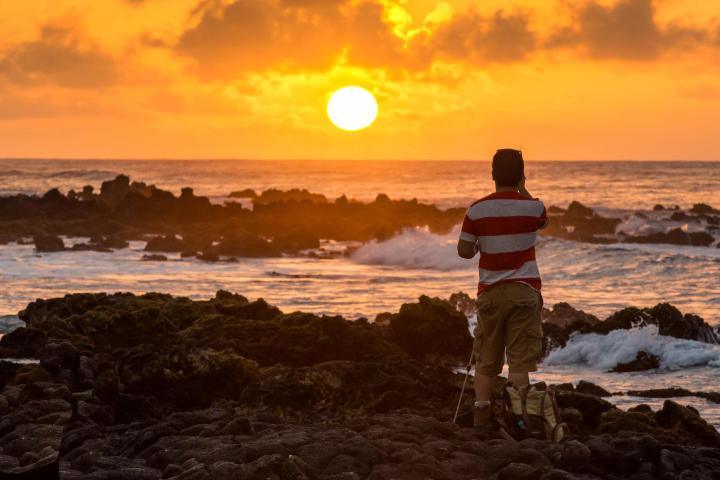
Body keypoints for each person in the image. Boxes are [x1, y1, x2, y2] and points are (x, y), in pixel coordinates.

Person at [456, 149, 549, 429]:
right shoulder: (534, 207)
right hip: (524, 290)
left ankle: (481, 418)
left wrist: (481, 244)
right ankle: (522, 420)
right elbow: (543, 222)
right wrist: (524, 189)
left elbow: (464, 251)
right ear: (521, 174)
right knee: (519, 362)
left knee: (486, 359)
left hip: (491, 293)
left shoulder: (477, 210)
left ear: (492, 175)